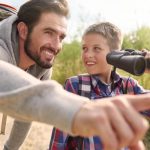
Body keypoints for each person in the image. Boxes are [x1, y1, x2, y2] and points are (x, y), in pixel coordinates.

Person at [0, 0, 150, 150]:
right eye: (48, 32)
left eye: (61, 37)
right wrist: (78, 110)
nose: (56, 45)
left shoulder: (42, 63)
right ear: (24, 31)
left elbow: (29, 105)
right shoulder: (3, 50)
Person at [49, 22, 150, 150]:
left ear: (115, 55)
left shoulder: (129, 86)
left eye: (96, 48)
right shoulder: (75, 85)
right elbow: (59, 140)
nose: (88, 54)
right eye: (84, 48)